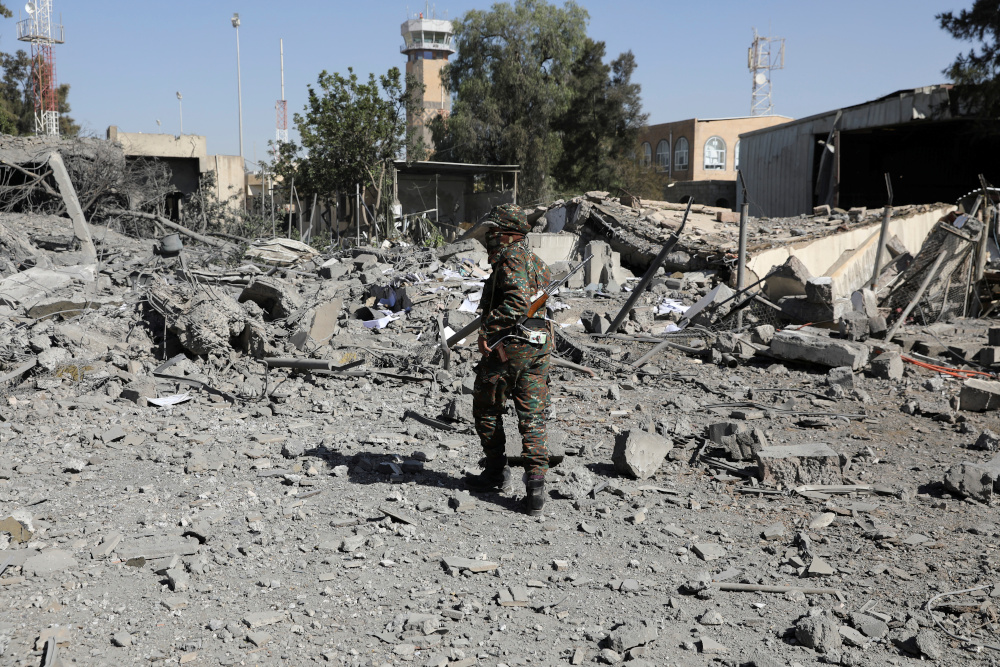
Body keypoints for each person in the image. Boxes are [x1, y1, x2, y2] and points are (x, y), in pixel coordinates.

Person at [465, 203, 552, 516]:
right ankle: (536, 489)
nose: (487, 241)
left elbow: (516, 304)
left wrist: (487, 330)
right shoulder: (535, 260)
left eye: (490, 234)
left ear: (502, 234)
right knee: (532, 416)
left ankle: (495, 474)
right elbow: (538, 298)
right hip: (539, 347)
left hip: (511, 348)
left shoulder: (510, 258)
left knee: (486, 406)